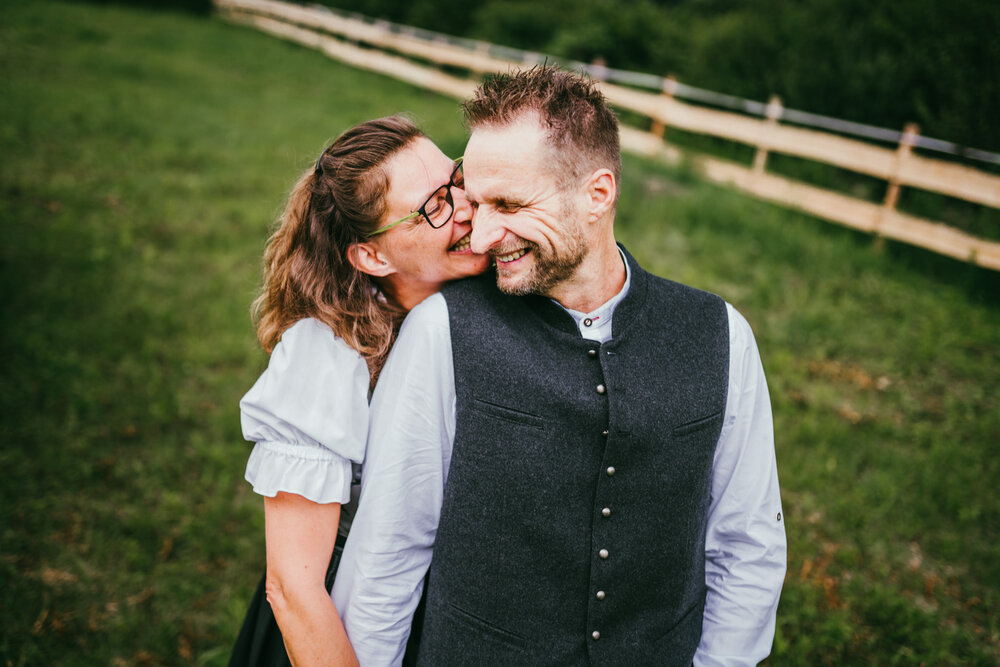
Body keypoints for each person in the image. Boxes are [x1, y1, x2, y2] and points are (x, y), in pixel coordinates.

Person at [332, 67, 787, 665]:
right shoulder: (442, 333)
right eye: (476, 199)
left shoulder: (720, 335)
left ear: (597, 194)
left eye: (510, 203)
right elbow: (386, 556)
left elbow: (746, 547)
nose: (484, 233)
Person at [228, 115, 488, 666]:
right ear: (374, 257)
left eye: (458, 180)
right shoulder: (327, 355)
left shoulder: (488, 310)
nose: (465, 206)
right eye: (434, 205)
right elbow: (294, 591)